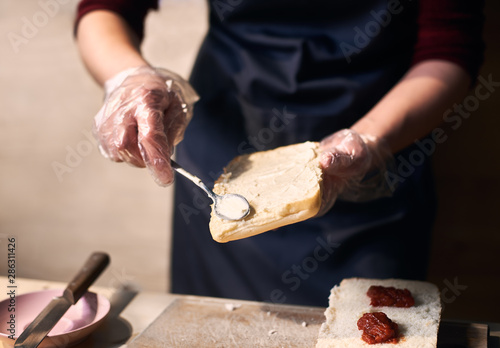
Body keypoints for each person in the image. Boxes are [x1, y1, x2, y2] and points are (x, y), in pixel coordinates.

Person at [75, 0, 484, 306]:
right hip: (225, 145)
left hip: (381, 133)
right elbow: (106, 7)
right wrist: (129, 79)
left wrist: (369, 140)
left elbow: (450, 46)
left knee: (369, 322)